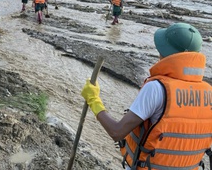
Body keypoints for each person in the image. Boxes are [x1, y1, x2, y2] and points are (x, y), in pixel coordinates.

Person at [80, 22, 212, 170]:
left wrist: (93, 99)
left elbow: (116, 132)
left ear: (166, 52)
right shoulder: (209, 93)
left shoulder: (156, 88)